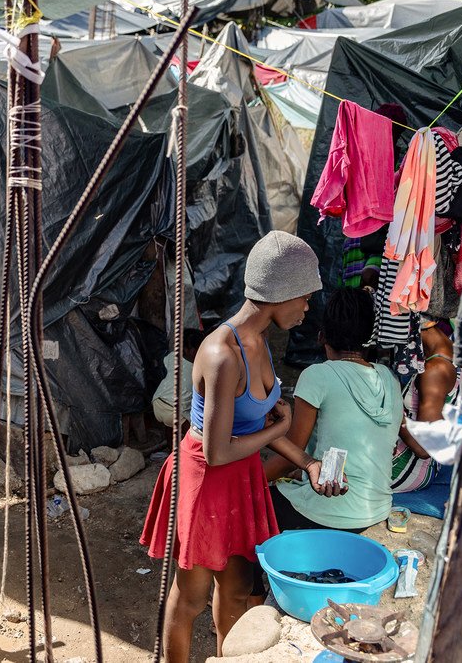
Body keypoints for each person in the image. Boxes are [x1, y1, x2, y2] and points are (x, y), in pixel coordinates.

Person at [140, 231, 341, 661]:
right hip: (207, 478)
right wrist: (280, 426)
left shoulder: (261, 341)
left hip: (241, 475)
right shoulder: (222, 353)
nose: (308, 308)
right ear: (280, 294)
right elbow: (218, 452)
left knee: (235, 591)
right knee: (191, 595)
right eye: (304, 298)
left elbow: (257, 425)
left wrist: (307, 463)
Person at [266, 288, 398, 532]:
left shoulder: (318, 375)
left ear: (321, 336)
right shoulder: (389, 378)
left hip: (330, 510)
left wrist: (247, 481)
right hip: (377, 507)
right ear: (368, 335)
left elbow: (289, 455)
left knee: (249, 507)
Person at [391, 315, 458, 492]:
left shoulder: (435, 369)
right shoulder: (452, 352)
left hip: (405, 470)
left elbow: (425, 448)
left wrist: (392, 411)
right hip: (421, 467)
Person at [152, 328, 204, 434]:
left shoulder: (171, 357)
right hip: (174, 410)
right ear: (187, 350)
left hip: (158, 401)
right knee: (192, 436)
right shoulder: (199, 368)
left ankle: (171, 449)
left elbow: (165, 365)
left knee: (170, 429)